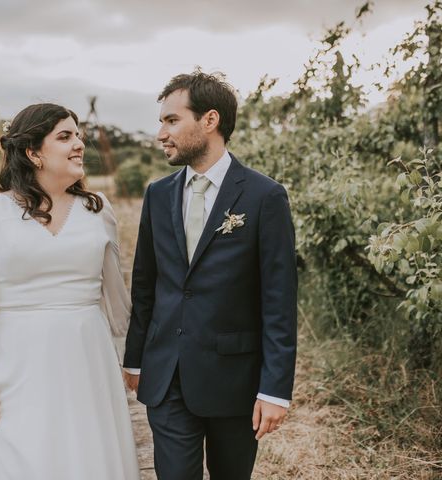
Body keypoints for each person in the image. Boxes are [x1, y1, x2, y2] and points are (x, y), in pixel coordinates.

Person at [123, 70, 297, 479]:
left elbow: (279, 300)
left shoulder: (264, 197)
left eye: (171, 120)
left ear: (210, 120)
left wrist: (274, 390)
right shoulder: (158, 194)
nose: (161, 134)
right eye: (161, 122)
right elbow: (146, 282)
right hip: (167, 376)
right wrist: (135, 358)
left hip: (234, 380)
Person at [0, 103, 140, 480]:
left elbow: (116, 298)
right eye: (65, 136)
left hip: (88, 360)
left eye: (79, 136)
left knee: (89, 458)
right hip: (15, 364)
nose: (79, 145)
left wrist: (129, 360)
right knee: (22, 457)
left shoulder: (98, 210)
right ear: (33, 152)